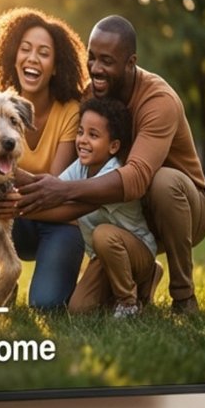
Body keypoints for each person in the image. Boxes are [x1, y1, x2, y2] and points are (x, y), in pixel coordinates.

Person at [13, 16, 205, 312]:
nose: (95, 69)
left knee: (163, 182)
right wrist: (20, 195)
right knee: (79, 310)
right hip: (122, 216)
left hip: (180, 208)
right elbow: (82, 180)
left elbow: (135, 179)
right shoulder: (92, 95)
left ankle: (183, 296)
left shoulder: (158, 101)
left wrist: (64, 191)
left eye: (107, 61)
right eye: (91, 58)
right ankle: (144, 273)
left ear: (131, 62)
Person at [0, 7, 88, 308]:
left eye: (43, 53)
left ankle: (68, 279)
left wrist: (11, 185)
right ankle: (7, 282)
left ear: (55, 66)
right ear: (13, 56)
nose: (32, 58)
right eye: (25, 49)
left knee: (46, 305)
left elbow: (53, 189)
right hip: (12, 218)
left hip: (59, 224)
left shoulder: (69, 111)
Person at [52, 97, 156, 317]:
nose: (82, 140)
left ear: (113, 146)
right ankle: (139, 285)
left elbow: (68, 205)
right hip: (103, 255)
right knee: (79, 309)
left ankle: (128, 302)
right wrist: (19, 181)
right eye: (80, 132)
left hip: (137, 252)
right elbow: (54, 190)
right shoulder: (79, 167)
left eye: (93, 135)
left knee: (103, 234)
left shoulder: (113, 175)